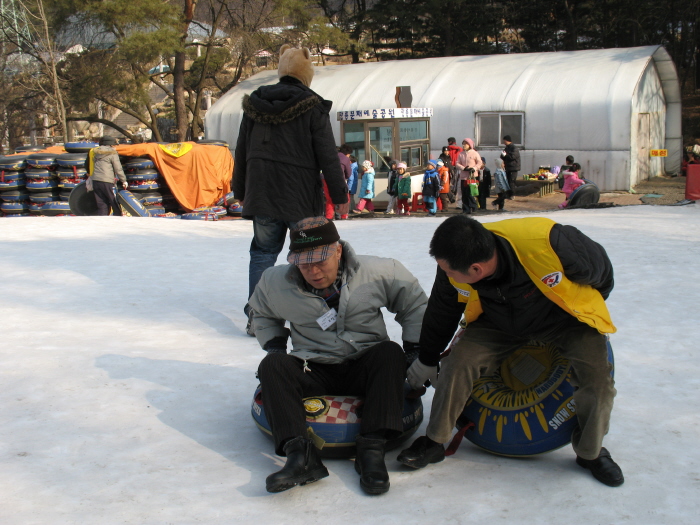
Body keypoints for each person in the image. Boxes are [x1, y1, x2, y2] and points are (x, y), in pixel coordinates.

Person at [399, 215, 623, 488]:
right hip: (498, 322)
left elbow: (601, 273)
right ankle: (435, 441)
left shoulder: (552, 242)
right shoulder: (453, 260)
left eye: (449, 272)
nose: (445, 274)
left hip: (564, 320)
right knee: (459, 363)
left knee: (598, 379)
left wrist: (581, 309)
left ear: (476, 269)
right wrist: (427, 358)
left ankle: (591, 452)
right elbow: (442, 311)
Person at [250, 217, 428, 495]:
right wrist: (274, 345)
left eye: (320, 260)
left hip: (365, 362)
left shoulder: (380, 271)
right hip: (313, 365)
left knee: (390, 353)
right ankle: (300, 456)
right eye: (304, 262)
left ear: (338, 250)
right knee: (272, 365)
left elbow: (414, 304)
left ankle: (371, 449)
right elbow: (261, 312)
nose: (313, 270)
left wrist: (415, 349)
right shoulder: (275, 282)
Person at [232, 44, 348, 334]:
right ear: (306, 74)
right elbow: (327, 155)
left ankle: (258, 316)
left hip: (262, 195)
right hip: (300, 199)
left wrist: (240, 188)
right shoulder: (312, 105)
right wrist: (340, 195)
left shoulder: (254, 103)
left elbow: (242, 149)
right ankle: (315, 315)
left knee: (262, 253)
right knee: (313, 254)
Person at [89, 136, 127, 216]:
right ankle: (118, 220)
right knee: (114, 202)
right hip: (107, 181)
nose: (115, 147)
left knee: (102, 204)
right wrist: (123, 180)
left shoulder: (95, 152)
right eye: (115, 145)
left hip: (96, 180)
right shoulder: (112, 153)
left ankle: (103, 223)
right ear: (111, 145)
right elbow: (118, 168)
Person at [455, 138, 482, 215]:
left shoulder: (475, 153)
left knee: (470, 193)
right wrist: (463, 168)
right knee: (464, 193)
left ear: (469, 145)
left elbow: (479, 163)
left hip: (472, 177)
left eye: (465, 144)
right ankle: (466, 209)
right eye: (463, 144)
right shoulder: (461, 154)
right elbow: (457, 163)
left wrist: (474, 168)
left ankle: (473, 206)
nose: (463, 145)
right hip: (463, 176)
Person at [336, 144, 353, 220]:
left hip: (327, 179)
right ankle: (343, 215)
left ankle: (330, 216)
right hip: (340, 180)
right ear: (348, 153)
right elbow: (348, 173)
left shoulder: (333, 156)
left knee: (330, 199)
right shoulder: (345, 159)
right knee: (345, 198)